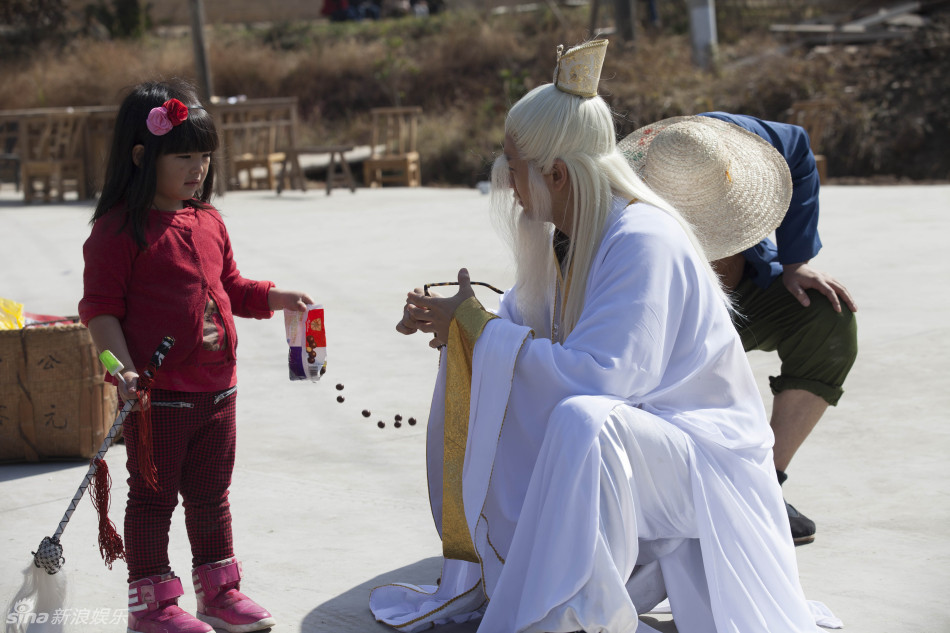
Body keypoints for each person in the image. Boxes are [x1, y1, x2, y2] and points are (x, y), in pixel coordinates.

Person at [371, 40, 839, 633]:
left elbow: (602, 378)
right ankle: (548, 587)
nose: (507, 182)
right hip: (660, 449)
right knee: (550, 400)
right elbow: (521, 323)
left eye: (512, 167)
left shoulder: (643, 237)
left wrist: (480, 332)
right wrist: (458, 322)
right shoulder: (576, 231)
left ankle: (575, 612)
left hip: (709, 465)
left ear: (557, 174)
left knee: (585, 423)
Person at [78, 79, 313, 633]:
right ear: (142, 156)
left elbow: (229, 286)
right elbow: (100, 314)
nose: (198, 169)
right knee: (153, 501)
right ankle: (152, 605)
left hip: (219, 391)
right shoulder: (116, 232)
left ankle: (219, 591)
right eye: (184, 156)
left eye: (204, 157)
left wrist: (274, 297)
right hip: (158, 397)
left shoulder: (208, 220)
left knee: (211, 497)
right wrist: (122, 371)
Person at [619, 113, 859, 545]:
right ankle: (658, 501)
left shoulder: (739, 138)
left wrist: (796, 259)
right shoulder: (611, 183)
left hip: (743, 291)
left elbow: (799, 149)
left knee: (827, 318)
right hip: (656, 306)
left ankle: (763, 486)